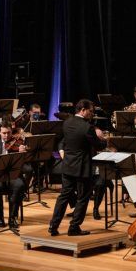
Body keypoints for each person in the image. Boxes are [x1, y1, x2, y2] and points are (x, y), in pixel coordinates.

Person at [49, 99, 107, 236]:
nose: (92, 114)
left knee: (64, 196)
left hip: (68, 165)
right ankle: (74, 227)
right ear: (83, 110)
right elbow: (98, 146)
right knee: (83, 197)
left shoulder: (67, 122)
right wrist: (104, 140)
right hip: (82, 167)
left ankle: (53, 225)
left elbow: (64, 141)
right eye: (90, 111)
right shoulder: (87, 127)